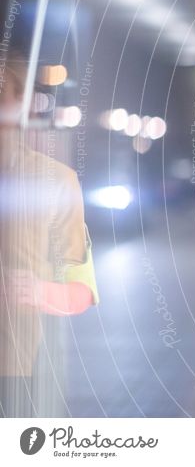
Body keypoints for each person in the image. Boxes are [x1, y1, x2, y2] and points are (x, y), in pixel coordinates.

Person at [0, 50, 100, 417]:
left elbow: (82, 292)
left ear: (24, 104)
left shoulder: (56, 182)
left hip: (14, 376)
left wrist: (37, 291)